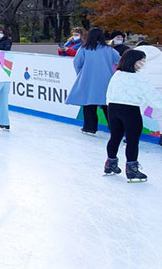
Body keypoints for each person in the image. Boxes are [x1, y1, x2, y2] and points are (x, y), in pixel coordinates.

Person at [104, 49, 162, 182]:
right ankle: (132, 170)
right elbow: (152, 97)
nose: (143, 63)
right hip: (130, 110)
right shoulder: (139, 78)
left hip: (113, 108)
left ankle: (110, 164)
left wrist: (110, 106)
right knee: (132, 140)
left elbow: (109, 92)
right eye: (141, 60)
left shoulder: (117, 75)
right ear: (133, 61)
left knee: (115, 137)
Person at [67, 26, 119, 135]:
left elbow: (77, 63)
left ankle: (89, 128)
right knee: (107, 104)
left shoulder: (84, 49)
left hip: (88, 80)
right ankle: (114, 128)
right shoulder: (109, 49)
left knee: (89, 103)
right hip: (107, 80)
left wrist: (82, 74)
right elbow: (118, 60)